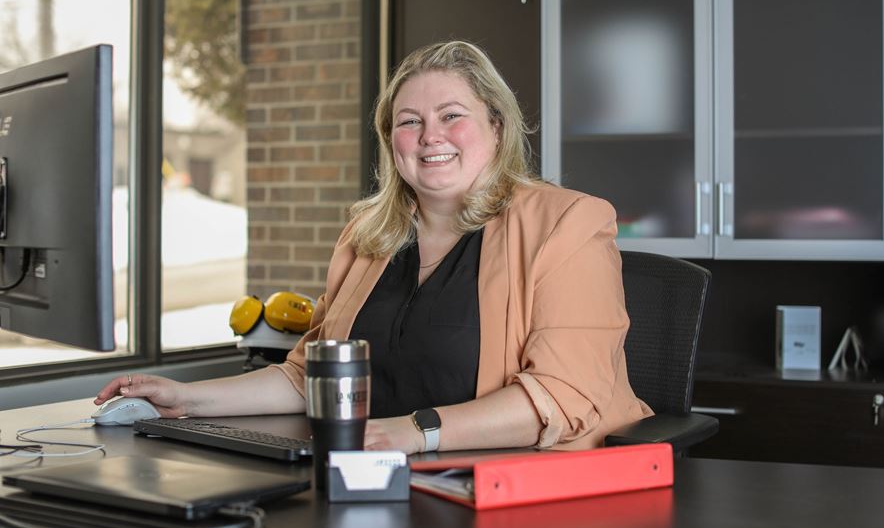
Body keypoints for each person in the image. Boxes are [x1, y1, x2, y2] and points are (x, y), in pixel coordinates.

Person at [95, 41, 652, 454]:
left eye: (452, 116)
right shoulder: (370, 235)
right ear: (392, 143)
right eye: (410, 122)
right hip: (388, 471)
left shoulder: (568, 223)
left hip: (530, 488)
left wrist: (413, 433)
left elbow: (561, 396)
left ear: (498, 128)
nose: (430, 135)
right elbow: (311, 376)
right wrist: (187, 399)